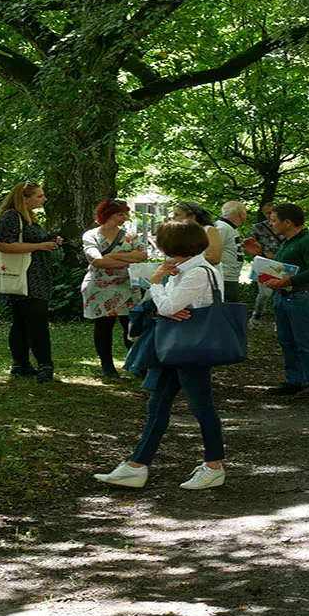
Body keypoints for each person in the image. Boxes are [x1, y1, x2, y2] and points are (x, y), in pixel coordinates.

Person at [94, 220, 229, 490]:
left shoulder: (198, 272)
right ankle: (137, 465)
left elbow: (168, 305)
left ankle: (214, 466)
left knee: (202, 406)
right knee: (157, 405)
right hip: (175, 345)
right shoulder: (184, 269)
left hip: (191, 349)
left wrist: (156, 284)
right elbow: (167, 307)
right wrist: (164, 302)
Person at [246, 202, 309, 398]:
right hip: (285, 296)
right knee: (287, 340)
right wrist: (259, 254)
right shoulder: (287, 242)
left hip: (304, 296)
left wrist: (287, 281)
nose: (270, 223)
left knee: (306, 341)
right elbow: (281, 266)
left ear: (288, 222)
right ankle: (295, 380)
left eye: (274, 220)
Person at [0, 182, 64, 382]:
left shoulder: (29, 217)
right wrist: (40, 245)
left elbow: (29, 239)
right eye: (39, 196)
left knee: (22, 321)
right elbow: (3, 245)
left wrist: (50, 239)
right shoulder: (11, 216)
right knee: (36, 319)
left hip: (36, 274)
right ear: (24, 198)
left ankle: (21, 364)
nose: (44, 199)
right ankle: (45, 364)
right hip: (23, 275)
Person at [82, 199, 150, 379]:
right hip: (100, 287)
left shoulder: (130, 235)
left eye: (124, 214)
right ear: (107, 214)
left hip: (128, 286)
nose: (124, 217)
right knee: (104, 326)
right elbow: (98, 261)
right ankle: (107, 366)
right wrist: (127, 258)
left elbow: (143, 255)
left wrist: (112, 256)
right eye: (120, 214)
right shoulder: (91, 236)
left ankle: (135, 363)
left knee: (131, 326)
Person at [169, 200, 233, 295]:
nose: (173, 218)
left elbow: (214, 258)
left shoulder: (209, 231)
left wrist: (180, 260)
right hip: (181, 282)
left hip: (204, 282)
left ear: (192, 217)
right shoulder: (178, 235)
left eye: (177, 215)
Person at [248, 202, 283, 327]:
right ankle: (256, 316)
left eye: (273, 212)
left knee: (284, 292)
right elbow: (251, 247)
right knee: (265, 293)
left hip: (283, 264)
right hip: (264, 264)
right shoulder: (257, 228)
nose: (270, 215)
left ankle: (280, 321)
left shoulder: (284, 226)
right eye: (268, 213)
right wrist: (263, 254)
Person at [216, 200, 249, 301]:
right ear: (241, 214)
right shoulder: (222, 228)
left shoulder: (230, 228)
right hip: (224, 277)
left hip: (231, 277)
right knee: (228, 311)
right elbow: (211, 250)